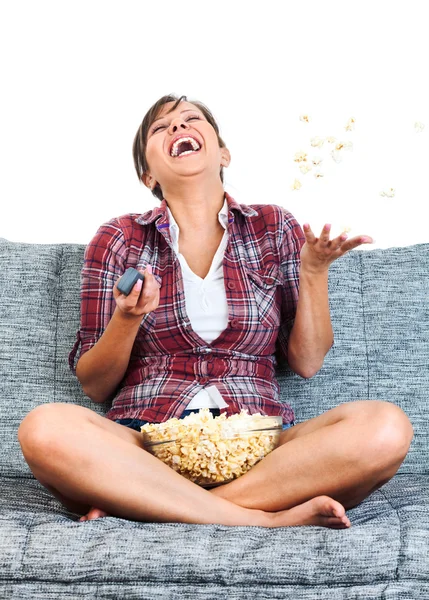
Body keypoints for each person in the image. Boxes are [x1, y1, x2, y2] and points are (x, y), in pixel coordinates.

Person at [18, 94, 414, 530]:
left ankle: (153, 504)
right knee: (43, 428)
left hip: (261, 448)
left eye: (190, 119)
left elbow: (307, 361)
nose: (177, 127)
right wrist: (127, 319)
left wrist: (314, 271)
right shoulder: (119, 237)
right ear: (147, 172)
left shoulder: (273, 225)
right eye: (160, 127)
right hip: (146, 445)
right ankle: (263, 519)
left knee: (386, 427)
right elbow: (94, 385)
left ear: (222, 152)